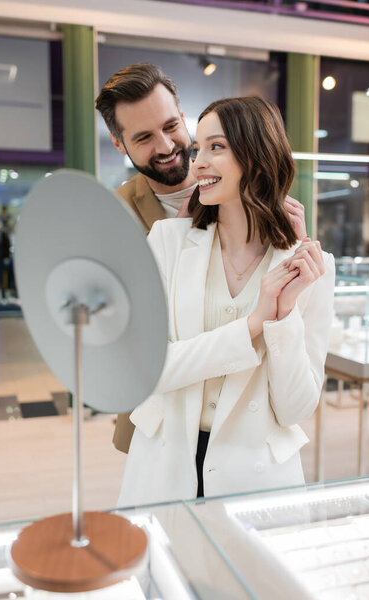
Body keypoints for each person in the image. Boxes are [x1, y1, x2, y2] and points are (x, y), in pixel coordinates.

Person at [118, 96, 334, 507]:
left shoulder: (311, 268)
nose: (197, 162)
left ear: (256, 155)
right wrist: (252, 325)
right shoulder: (167, 242)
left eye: (215, 147)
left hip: (257, 481)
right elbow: (145, 370)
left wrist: (283, 315)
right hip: (164, 464)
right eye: (197, 148)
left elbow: (295, 410)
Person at [96, 63, 307, 453]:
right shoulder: (113, 221)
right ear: (117, 142)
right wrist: (177, 237)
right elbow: (125, 348)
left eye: (172, 125)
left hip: (246, 430)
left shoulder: (257, 199)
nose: (165, 146)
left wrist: (287, 245)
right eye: (143, 137)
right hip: (161, 422)